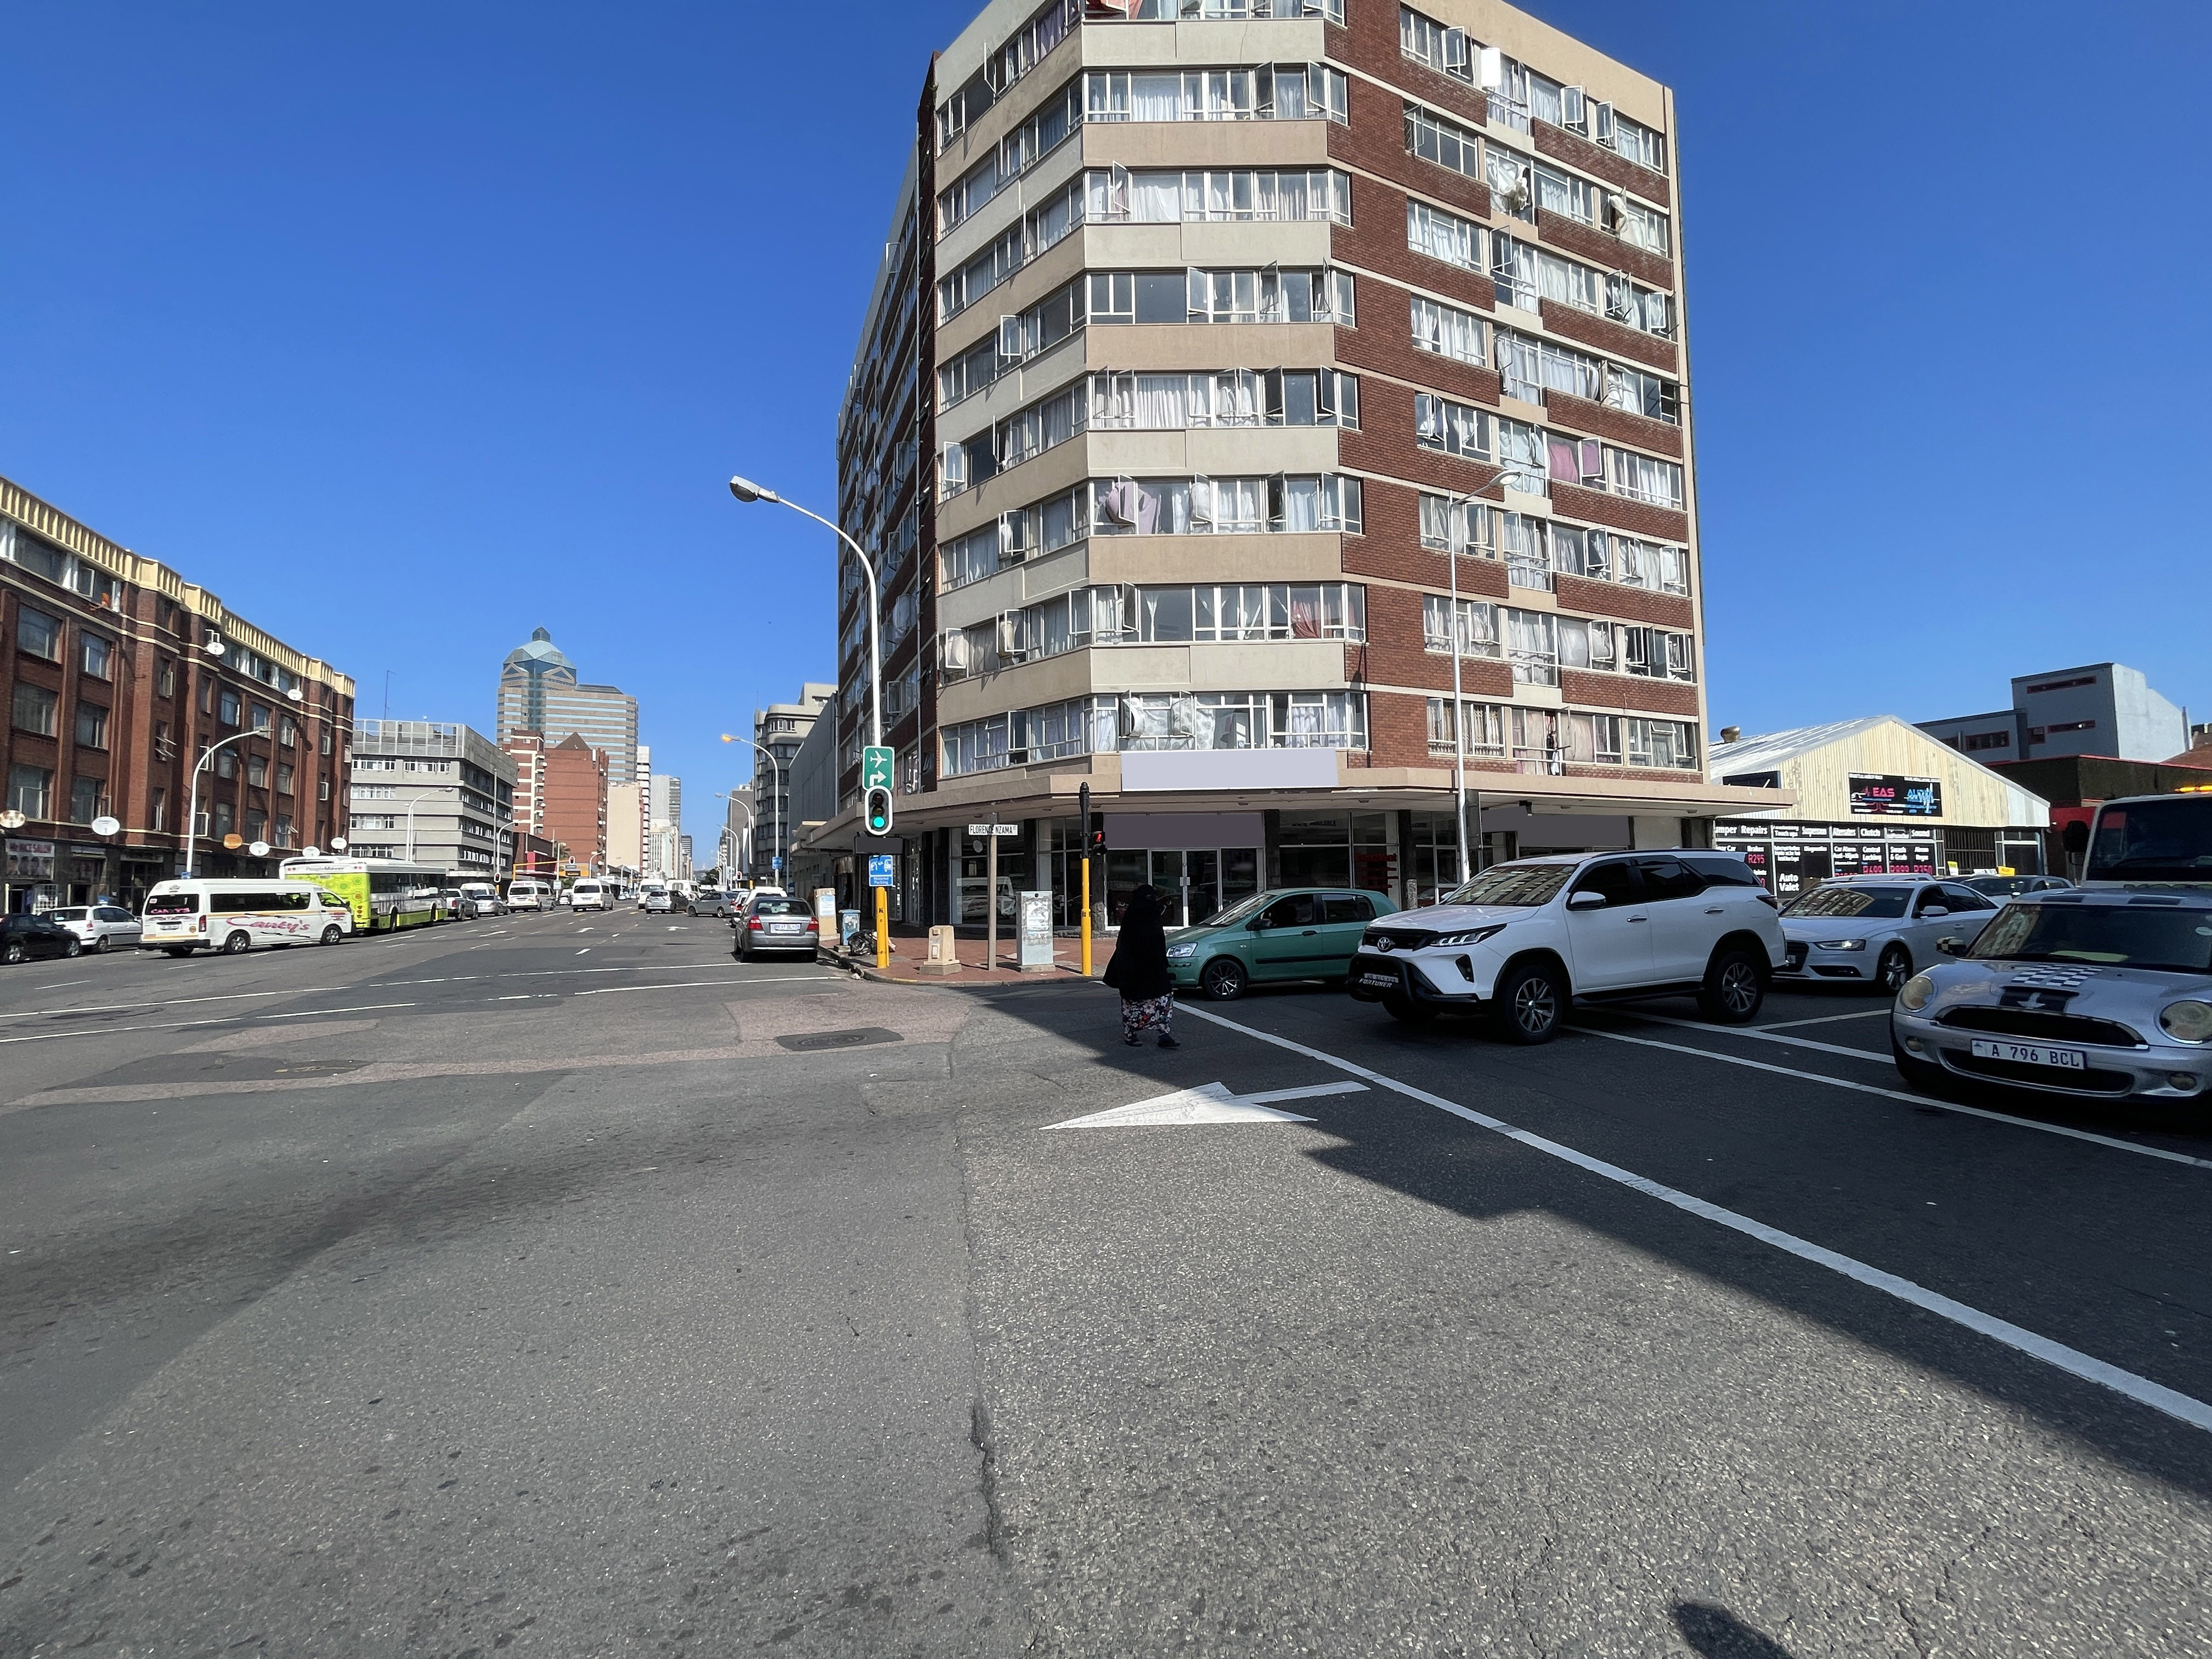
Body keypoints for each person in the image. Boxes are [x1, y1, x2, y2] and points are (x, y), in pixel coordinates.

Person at [1103, 884, 1178, 1049]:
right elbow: (1125, 945)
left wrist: (1163, 962)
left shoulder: (1152, 915)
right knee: (1133, 1002)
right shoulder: (1134, 917)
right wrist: (1126, 968)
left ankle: (1164, 1035)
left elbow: (1159, 941)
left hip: (1154, 967)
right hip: (1134, 968)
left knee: (1164, 997)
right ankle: (1131, 1034)